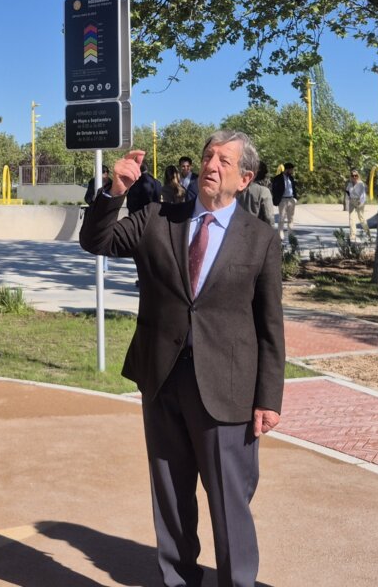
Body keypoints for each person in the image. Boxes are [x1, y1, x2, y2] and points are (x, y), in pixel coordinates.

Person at [81, 131, 285, 587]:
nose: (211, 165)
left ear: (244, 178)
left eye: (224, 161)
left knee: (229, 504)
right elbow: (97, 241)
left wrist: (269, 399)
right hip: (162, 381)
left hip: (226, 391)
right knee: (171, 500)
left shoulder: (260, 239)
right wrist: (116, 191)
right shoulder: (157, 217)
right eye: (208, 156)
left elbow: (270, 326)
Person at [270, 163, 299, 235]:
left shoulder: (291, 178)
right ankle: (280, 235)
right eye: (291, 170)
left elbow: (293, 188)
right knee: (282, 218)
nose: (292, 171)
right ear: (287, 169)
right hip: (283, 200)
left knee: (291, 218)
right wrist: (277, 199)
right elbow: (274, 189)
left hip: (291, 199)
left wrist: (295, 198)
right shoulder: (278, 178)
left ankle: (291, 234)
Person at [342, 169, 368, 242]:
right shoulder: (349, 184)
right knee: (351, 218)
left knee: (361, 218)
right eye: (352, 176)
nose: (354, 177)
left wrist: (361, 202)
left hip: (359, 201)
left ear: (358, 176)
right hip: (352, 201)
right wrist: (347, 201)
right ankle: (352, 235)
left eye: (355, 175)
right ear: (351, 176)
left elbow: (363, 195)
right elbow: (347, 192)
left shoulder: (361, 184)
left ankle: (367, 232)